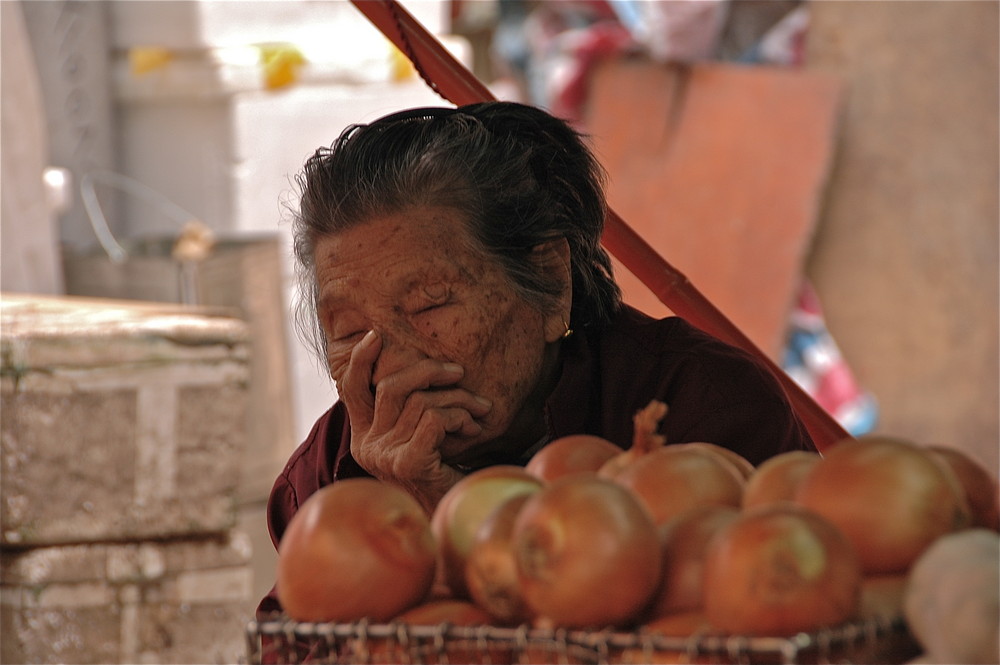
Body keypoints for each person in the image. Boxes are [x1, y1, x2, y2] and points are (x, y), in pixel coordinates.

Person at [258, 100, 816, 618]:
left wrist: (444, 515)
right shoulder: (327, 473)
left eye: (431, 303)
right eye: (349, 330)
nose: (390, 357)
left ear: (550, 281)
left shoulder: (699, 405)